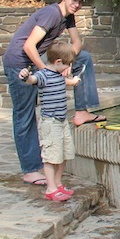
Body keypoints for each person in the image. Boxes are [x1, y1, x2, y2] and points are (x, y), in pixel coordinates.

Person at [2, 0, 105, 187]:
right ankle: (30, 170)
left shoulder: (68, 16)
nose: (77, 4)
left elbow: (77, 44)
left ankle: (82, 111)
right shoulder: (52, 14)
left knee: (83, 58)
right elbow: (29, 45)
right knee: (25, 115)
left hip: (37, 60)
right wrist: (46, 71)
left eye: (81, 1)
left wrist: (68, 62)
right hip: (20, 63)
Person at [17, 41, 80, 202]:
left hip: (61, 121)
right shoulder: (43, 75)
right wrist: (25, 75)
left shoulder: (58, 75)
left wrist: (73, 81)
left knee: (65, 153)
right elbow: (31, 80)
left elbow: (64, 82)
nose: (69, 67)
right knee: (51, 156)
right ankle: (51, 189)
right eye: (68, 64)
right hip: (50, 123)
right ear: (58, 62)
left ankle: (58, 183)